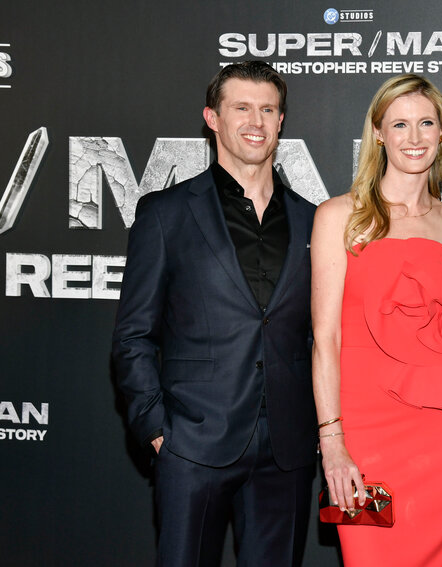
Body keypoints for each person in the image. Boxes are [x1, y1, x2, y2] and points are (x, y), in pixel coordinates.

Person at [112, 61, 317, 567]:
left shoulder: (315, 219)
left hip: (287, 449)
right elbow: (133, 335)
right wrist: (157, 428)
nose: (256, 120)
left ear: (281, 121)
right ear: (212, 118)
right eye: (241, 107)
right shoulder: (166, 213)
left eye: (268, 109)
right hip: (192, 442)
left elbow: (325, 334)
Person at [311, 73, 442, 567]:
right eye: (400, 124)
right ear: (378, 133)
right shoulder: (340, 216)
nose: (414, 138)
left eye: (426, 123)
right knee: (368, 556)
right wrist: (332, 440)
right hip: (363, 428)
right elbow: (325, 338)